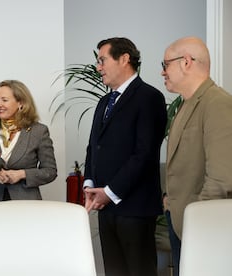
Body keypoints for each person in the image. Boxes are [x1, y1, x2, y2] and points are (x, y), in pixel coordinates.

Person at [83, 37, 167, 276]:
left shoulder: (149, 97)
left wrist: (109, 192)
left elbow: (145, 154)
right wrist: (90, 184)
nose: (98, 67)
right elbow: (93, 147)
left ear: (124, 59)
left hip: (135, 209)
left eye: (102, 60)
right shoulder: (103, 102)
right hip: (105, 208)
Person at [162, 36, 232, 276]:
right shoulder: (186, 104)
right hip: (180, 222)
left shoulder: (218, 103)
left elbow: (222, 179)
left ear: (187, 62)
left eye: (166, 64)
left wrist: (198, 223)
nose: (163, 72)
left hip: (201, 228)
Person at [0, 80, 57, 210]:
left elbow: (50, 171)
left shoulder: (39, 131)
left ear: (21, 103)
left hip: (27, 206)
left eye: (4, 100)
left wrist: (22, 174)